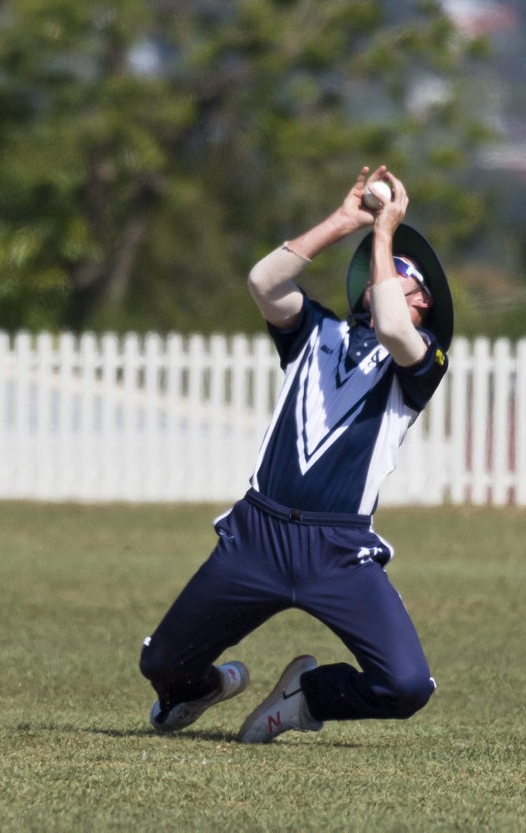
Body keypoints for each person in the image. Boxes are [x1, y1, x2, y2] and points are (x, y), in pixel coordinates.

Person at [138, 164, 454, 744]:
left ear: (425, 307)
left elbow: (390, 323)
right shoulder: (317, 332)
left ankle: (306, 699)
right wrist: (343, 221)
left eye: (408, 283)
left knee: (406, 686)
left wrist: (385, 236)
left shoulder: (420, 359)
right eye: (389, 274)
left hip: (337, 549)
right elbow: (263, 282)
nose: (390, 284)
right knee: (160, 667)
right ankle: (199, 689)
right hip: (257, 535)